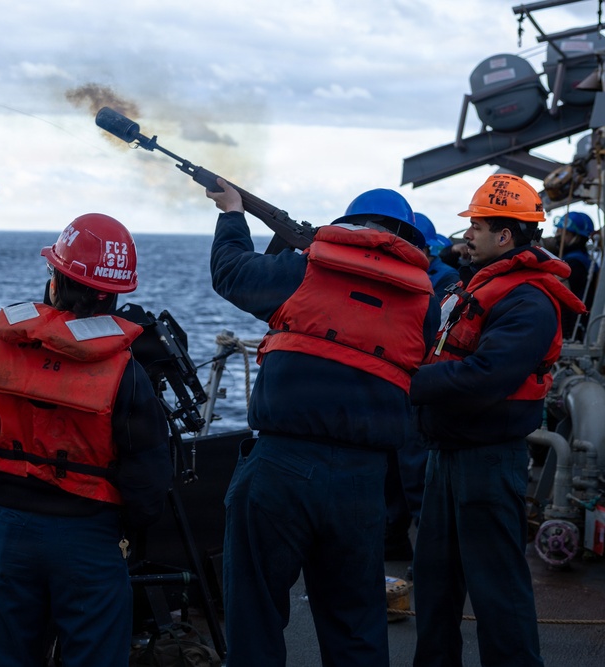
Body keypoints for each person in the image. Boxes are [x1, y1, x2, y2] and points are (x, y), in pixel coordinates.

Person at [206, 179, 439, 666]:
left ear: (349, 225)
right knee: (355, 624)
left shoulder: (305, 268)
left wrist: (232, 213)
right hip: (361, 481)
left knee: (255, 616)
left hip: (280, 468)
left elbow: (229, 272)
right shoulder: (425, 303)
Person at [0, 213, 172, 667]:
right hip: (89, 542)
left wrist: (7, 506)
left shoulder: (2, 351)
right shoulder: (127, 373)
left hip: (13, 536)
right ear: (114, 295)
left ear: (55, 281)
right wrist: (117, 527)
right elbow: (148, 482)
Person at [410, 174, 586, 667]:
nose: (467, 234)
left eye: (477, 227)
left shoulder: (528, 300)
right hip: (448, 454)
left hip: (487, 460)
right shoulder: (479, 285)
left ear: (504, 236)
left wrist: (410, 382)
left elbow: (486, 378)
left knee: (497, 590)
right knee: (435, 583)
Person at [384, 211, 459, 565]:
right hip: (402, 385)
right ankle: (393, 539)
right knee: (393, 469)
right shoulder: (429, 276)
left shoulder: (445, 281)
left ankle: (429, 559)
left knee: (414, 474)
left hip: (420, 386)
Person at [544, 211, 597, 339]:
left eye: (563, 233)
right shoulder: (583, 260)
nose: (557, 236)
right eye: (557, 231)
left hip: (574, 330)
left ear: (576, 237)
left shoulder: (575, 264)